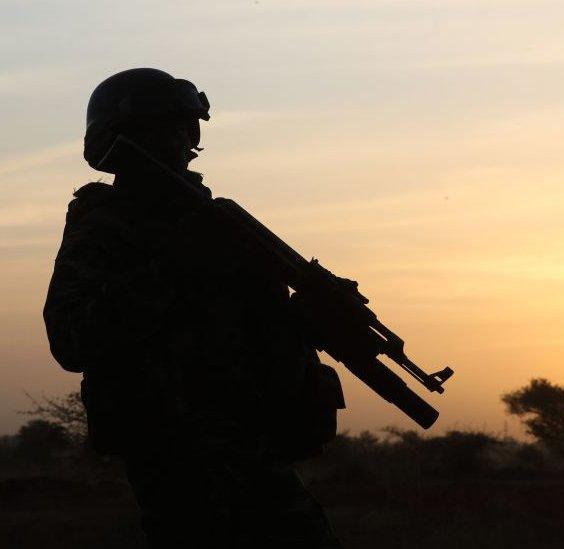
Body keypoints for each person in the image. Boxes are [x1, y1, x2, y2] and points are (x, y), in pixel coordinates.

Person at [43, 68, 344, 548]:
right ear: (132, 135)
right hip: (178, 455)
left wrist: (308, 318)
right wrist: (173, 263)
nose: (187, 140)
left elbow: (251, 326)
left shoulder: (216, 223)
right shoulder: (106, 224)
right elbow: (72, 337)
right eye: (173, 127)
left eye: (189, 127)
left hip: (254, 446)